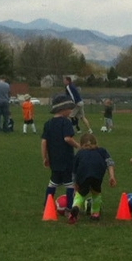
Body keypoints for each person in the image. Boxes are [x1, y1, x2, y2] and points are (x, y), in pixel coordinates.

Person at [41, 95, 81, 224]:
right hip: (66, 159)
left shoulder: (48, 123)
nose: (70, 111)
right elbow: (67, 139)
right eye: (69, 108)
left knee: (53, 182)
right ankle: (69, 209)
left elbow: (43, 142)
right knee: (69, 184)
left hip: (54, 160)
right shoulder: (66, 122)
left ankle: (47, 205)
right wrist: (79, 146)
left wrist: (44, 157)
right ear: (63, 109)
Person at [70, 133, 117, 223]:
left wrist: (75, 184)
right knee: (96, 193)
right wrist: (111, 176)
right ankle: (95, 214)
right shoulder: (102, 151)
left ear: (81, 145)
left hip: (83, 174)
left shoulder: (80, 153)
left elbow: (74, 170)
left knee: (80, 194)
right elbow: (110, 163)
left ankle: (76, 207)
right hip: (97, 174)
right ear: (96, 143)